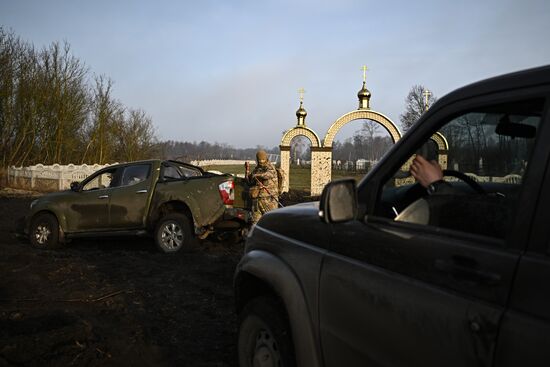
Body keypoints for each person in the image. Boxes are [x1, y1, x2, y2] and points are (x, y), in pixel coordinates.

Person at [246, 150, 279, 223]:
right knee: (255, 222)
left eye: (263, 159)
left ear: (266, 158)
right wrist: (247, 173)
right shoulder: (257, 169)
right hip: (257, 199)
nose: (261, 161)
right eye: (259, 160)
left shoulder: (270, 167)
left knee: (271, 221)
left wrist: (258, 175)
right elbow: (250, 182)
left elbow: (269, 175)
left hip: (269, 199)